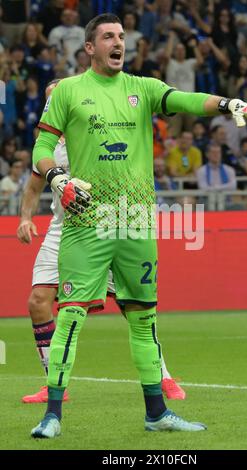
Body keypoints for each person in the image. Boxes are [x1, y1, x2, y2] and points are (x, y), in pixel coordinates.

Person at [30, 13, 247, 438]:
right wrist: (57, 177)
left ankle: (157, 413)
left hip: (136, 221)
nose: (118, 42)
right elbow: (43, 147)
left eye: (121, 36)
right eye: (108, 36)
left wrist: (231, 103)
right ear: (90, 47)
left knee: (144, 319)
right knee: (70, 317)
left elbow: (188, 101)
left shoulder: (142, 88)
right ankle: (52, 415)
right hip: (88, 220)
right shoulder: (67, 91)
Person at [18, 80, 185, 405]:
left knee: (132, 305)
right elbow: (34, 187)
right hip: (64, 228)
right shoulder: (47, 145)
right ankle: (55, 383)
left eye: (59, 98)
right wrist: (26, 218)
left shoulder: (97, 129)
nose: (55, 105)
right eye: (49, 100)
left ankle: (163, 375)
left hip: (107, 227)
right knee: (38, 301)